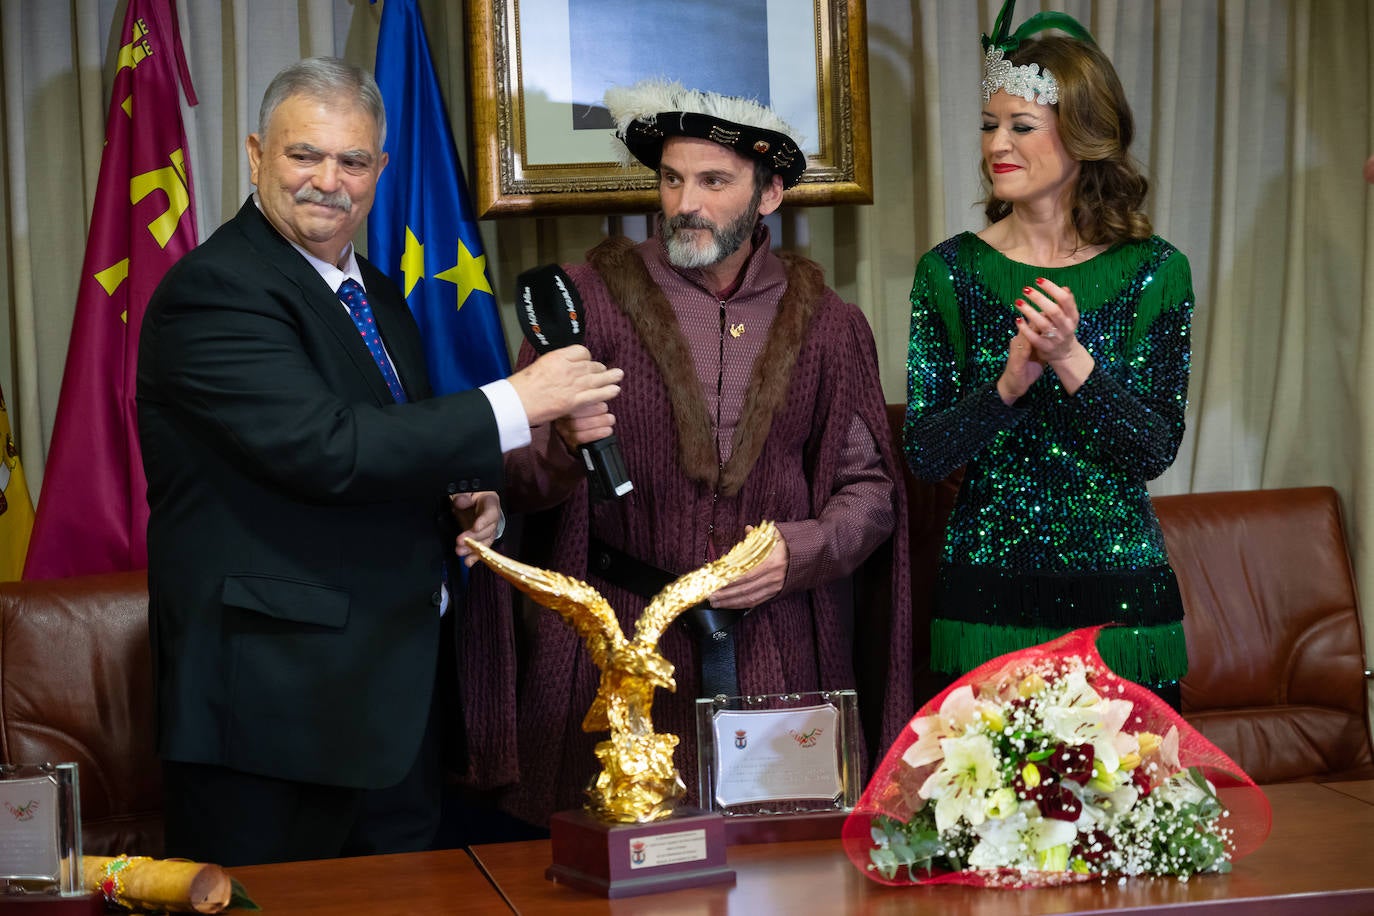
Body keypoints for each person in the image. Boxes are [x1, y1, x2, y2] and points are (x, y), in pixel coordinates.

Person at [136, 57, 622, 866]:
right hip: (270, 721)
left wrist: (463, 499)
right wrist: (517, 400)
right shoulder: (215, 290)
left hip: (392, 710)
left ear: (381, 169)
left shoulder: (378, 295)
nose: (329, 181)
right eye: (304, 155)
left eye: (353, 161)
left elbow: (391, 450)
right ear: (255, 155)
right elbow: (326, 449)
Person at [495, 80, 912, 824]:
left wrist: (802, 550)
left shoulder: (830, 324)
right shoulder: (582, 304)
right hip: (620, 652)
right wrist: (560, 444)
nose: (685, 203)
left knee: (784, 867)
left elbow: (870, 489)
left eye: (714, 181)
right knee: (614, 865)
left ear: (770, 194)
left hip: (778, 647)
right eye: (672, 179)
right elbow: (515, 481)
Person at [903, 1, 1195, 709]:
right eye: (988, 124)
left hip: (1121, 601)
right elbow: (926, 455)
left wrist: (1070, 360)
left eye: (1021, 125)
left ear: (1083, 135)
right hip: (986, 597)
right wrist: (1007, 385)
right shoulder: (949, 272)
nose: (996, 144)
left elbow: (1153, 449)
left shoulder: (1156, 271)